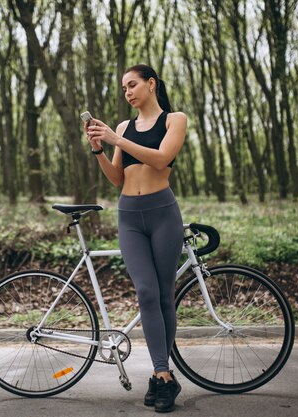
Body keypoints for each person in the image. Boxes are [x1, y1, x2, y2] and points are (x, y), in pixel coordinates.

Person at [85, 64, 187, 413]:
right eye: (124, 87)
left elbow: (162, 159)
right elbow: (116, 178)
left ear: (151, 84)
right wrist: (100, 148)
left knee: (164, 296)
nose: (127, 91)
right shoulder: (124, 127)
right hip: (129, 215)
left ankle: (162, 376)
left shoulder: (174, 119)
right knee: (145, 291)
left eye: (132, 84)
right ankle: (163, 375)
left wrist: (116, 139)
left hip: (163, 214)